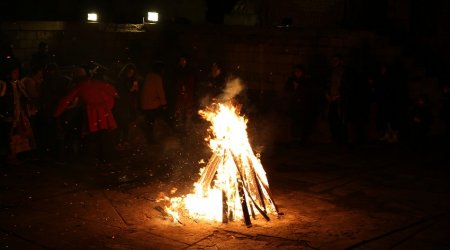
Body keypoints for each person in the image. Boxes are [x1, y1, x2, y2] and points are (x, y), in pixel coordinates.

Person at [54, 68, 118, 165]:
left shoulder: (79, 86)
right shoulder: (97, 82)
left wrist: (56, 113)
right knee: (103, 133)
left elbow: (66, 100)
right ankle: (106, 157)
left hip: (93, 112)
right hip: (104, 111)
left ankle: (95, 158)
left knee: (93, 135)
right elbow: (112, 90)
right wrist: (111, 103)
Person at [0, 60, 34, 165]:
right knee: (9, 136)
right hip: (9, 115)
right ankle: (9, 156)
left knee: (20, 135)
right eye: (14, 72)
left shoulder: (19, 84)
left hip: (19, 115)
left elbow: (25, 97)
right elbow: (2, 100)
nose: (17, 74)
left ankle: (18, 155)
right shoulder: (3, 84)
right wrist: (4, 114)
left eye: (17, 72)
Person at [139, 61, 167, 144]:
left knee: (149, 121)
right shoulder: (157, 78)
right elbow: (160, 92)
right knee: (152, 121)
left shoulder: (148, 76)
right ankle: (151, 138)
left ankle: (150, 136)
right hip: (151, 104)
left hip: (144, 103)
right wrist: (164, 104)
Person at [113, 63, 140, 150]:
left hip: (128, 105)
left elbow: (134, 95)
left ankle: (125, 140)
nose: (130, 74)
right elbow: (120, 95)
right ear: (125, 71)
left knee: (126, 124)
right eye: (129, 72)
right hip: (121, 105)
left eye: (132, 72)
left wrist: (135, 90)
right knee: (120, 123)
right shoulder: (121, 80)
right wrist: (130, 90)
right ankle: (117, 142)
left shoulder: (132, 80)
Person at [325, 54, 349, 146]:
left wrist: (338, 96)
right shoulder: (330, 72)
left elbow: (346, 87)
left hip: (340, 101)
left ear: (340, 61)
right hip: (331, 101)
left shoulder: (344, 72)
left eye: (336, 60)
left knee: (341, 121)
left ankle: (343, 141)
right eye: (333, 60)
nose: (334, 62)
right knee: (332, 120)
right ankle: (335, 139)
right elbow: (327, 84)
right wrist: (327, 94)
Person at [173, 56, 197, 132]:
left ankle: (187, 128)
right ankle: (179, 127)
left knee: (188, 111)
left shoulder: (189, 71)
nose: (182, 62)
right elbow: (176, 82)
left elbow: (192, 83)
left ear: (186, 61)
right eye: (181, 60)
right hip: (180, 95)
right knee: (179, 111)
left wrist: (186, 90)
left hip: (188, 95)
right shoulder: (177, 70)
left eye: (184, 60)